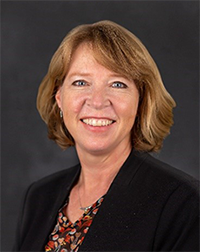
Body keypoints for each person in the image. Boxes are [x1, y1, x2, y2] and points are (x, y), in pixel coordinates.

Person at [13, 20, 200, 252]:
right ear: (59, 98)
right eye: (81, 82)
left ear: (141, 101)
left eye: (117, 84)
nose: (98, 101)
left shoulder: (182, 203)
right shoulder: (40, 197)